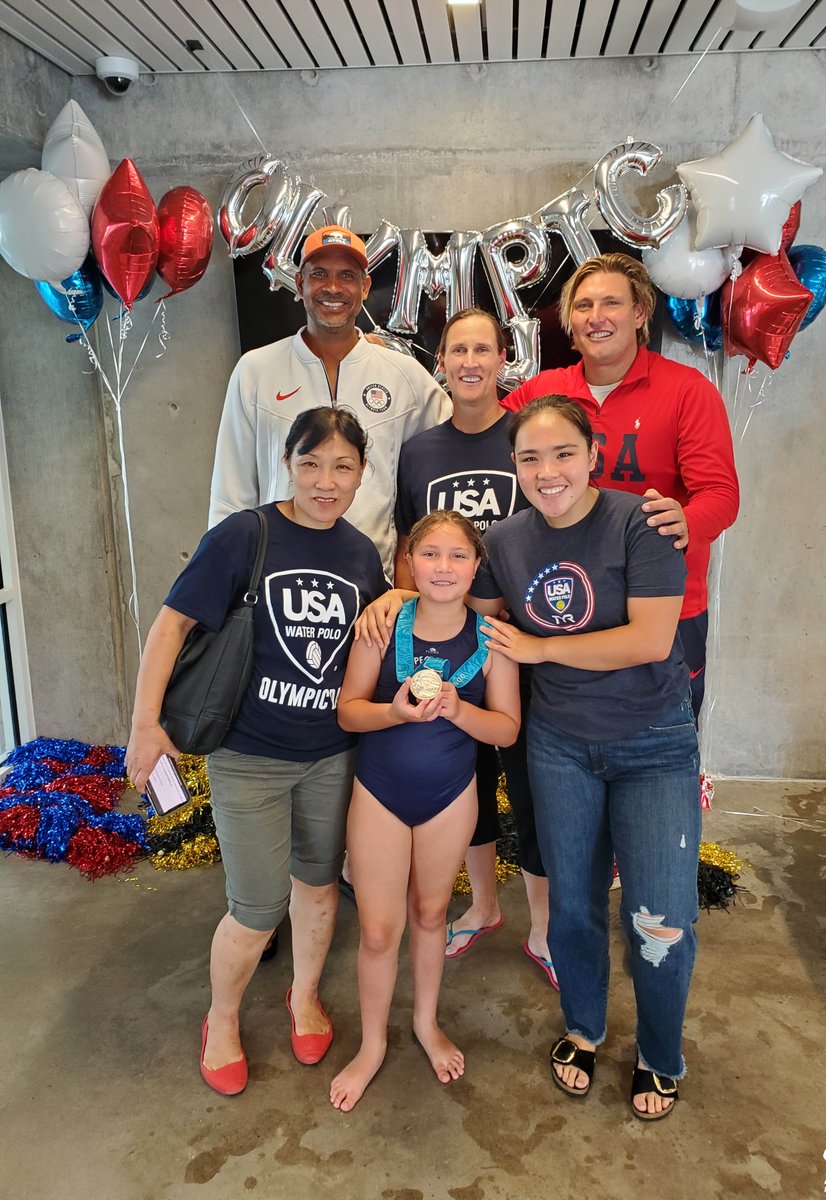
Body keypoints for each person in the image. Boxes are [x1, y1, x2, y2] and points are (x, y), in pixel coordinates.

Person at [126, 408, 388, 1097]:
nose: (325, 482)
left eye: (342, 467)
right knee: (256, 905)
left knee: (320, 884)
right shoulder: (247, 534)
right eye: (310, 464)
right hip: (249, 757)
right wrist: (145, 726)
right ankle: (221, 1018)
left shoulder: (361, 553)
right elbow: (171, 627)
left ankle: (303, 996)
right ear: (287, 463)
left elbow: (378, 631)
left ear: (363, 472)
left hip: (331, 755)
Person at [468, 396, 699, 1121]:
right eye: (530, 458)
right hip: (559, 744)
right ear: (514, 466)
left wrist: (540, 649)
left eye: (563, 453)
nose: (547, 471)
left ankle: (662, 1054)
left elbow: (651, 640)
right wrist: (399, 606)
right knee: (571, 906)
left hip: (654, 741)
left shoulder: (642, 521)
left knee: (660, 915)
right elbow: (466, 612)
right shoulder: (505, 540)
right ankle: (583, 1027)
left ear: (593, 453)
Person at [329, 511, 520, 1113]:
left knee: (431, 913)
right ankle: (372, 1043)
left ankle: (427, 1024)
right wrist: (395, 712)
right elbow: (347, 711)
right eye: (430, 555)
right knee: (381, 930)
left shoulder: (491, 640)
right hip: (380, 793)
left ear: (476, 565)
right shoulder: (381, 626)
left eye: (457, 556)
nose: (443, 567)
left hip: (449, 797)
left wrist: (460, 712)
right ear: (408, 563)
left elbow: (508, 729)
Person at [503, 253, 739, 719]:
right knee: (562, 746)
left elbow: (721, 495)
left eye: (611, 303)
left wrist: (683, 521)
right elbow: (475, 432)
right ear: (570, 320)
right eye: (584, 306)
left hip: (663, 607)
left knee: (662, 746)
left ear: (639, 313)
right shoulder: (540, 394)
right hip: (562, 604)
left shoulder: (687, 391)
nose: (597, 318)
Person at [394, 308, 553, 983]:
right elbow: (409, 547)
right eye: (457, 348)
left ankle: (543, 927)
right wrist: (405, 617)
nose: (469, 361)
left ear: (501, 359)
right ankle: (484, 903)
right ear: (442, 361)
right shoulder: (421, 450)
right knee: (469, 779)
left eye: (482, 349)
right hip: (449, 644)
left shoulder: (528, 437)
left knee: (531, 779)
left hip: (519, 638)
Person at [208, 224, 450, 574]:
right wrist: (223, 581)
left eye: (346, 276)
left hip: (370, 587)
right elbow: (230, 494)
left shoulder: (402, 374)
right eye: (319, 274)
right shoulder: (255, 371)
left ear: (365, 287)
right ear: (300, 284)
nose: (333, 287)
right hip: (277, 582)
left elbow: (456, 450)